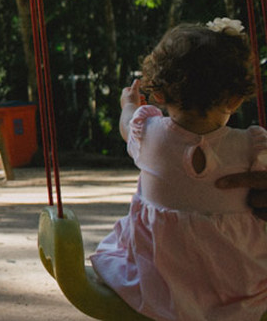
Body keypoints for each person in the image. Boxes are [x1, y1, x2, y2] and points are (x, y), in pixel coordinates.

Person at [89, 18, 267, 321]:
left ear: (159, 95)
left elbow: (126, 124)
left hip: (160, 282)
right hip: (239, 286)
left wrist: (127, 104)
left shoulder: (149, 134)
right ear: (236, 99)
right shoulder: (254, 145)